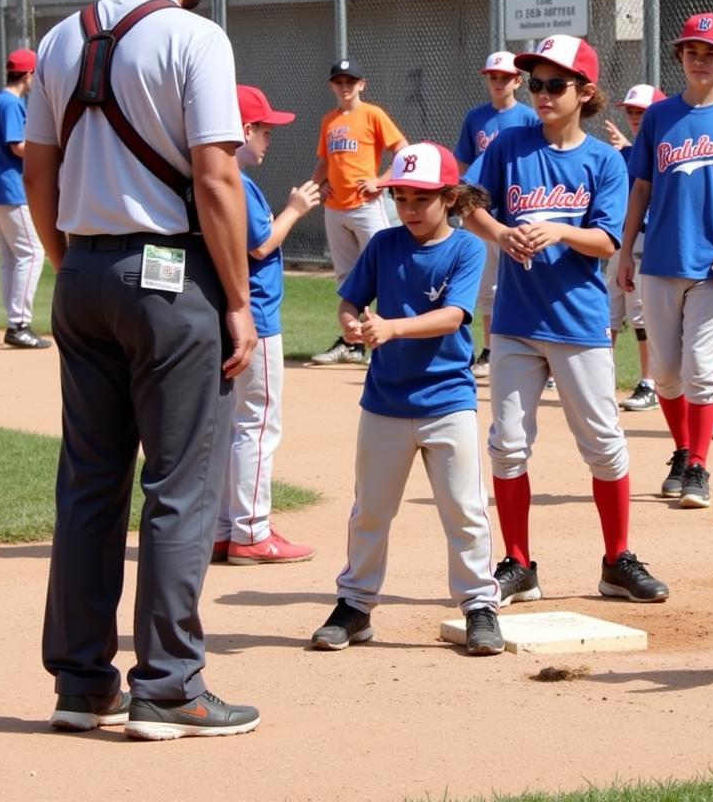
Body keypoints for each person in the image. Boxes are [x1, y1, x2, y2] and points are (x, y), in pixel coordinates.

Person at [24, 0, 260, 740]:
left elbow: (37, 172)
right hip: (171, 280)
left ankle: (82, 684)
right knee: (177, 487)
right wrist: (238, 302)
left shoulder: (60, 35)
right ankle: (169, 686)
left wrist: (70, 263)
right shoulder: (197, 37)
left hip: (81, 269)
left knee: (89, 485)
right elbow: (217, 178)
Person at [463, 35, 669, 607]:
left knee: (603, 445)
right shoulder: (509, 146)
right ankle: (519, 564)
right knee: (507, 445)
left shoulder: (604, 160)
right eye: (537, 84)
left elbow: (607, 240)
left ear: (585, 93)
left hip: (578, 322)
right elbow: (466, 199)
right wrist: (501, 232)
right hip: (515, 322)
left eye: (556, 84)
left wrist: (555, 229)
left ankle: (616, 560)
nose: (543, 94)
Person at [310, 142, 504, 655]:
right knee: (370, 510)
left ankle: (480, 605)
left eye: (422, 197)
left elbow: (454, 317)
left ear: (451, 197)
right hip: (385, 403)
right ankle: (355, 606)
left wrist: (392, 327)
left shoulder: (467, 249)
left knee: (465, 510)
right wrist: (351, 322)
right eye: (401, 196)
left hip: (447, 400)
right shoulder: (383, 244)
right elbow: (352, 299)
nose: (410, 208)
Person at [619, 15, 713, 508]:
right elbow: (641, 185)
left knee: (702, 368)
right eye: (691, 51)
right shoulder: (660, 117)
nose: (700, 60)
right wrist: (625, 250)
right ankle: (683, 451)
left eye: (711, 53)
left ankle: (701, 465)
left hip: (712, 265)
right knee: (665, 371)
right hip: (661, 259)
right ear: (680, 57)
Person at [213, 85, 321, 566]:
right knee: (256, 424)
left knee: (227, 425)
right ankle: (252, 532)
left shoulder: (202, 175)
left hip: (220, 315)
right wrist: (295, 210)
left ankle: (222, 528)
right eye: (263, 129)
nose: (268, 139)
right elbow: (260, 245)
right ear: (241, 129)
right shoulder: (238, 181)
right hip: (253, 317)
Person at [309, 59, 408, 366]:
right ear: (331, 86)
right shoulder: (329, 120)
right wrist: (317, 186)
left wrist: (382, 181)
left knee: (385, 269)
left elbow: (402, 148)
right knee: (349, 278)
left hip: (366, 206)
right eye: (339, 82)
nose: (345, 87)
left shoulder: (372, 114)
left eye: (350, 81)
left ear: (362, 84)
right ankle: (352, 343)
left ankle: (391, 338)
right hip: (335, 209)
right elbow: (326, 161)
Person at [454, 50, 538, 379]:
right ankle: (491, 350)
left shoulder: (530, 117)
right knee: (488, 286)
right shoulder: (476, 118)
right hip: (482, 213)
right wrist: (454, 195)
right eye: (493, 77)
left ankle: (534, 350)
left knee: (523, 283)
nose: (499, 82)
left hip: (516, 212)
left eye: (505, 77)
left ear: (518, 80)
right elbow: (464, 162)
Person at [603, 83, 666, 412]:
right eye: (630, 111)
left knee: (641, 313)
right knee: (609, 312)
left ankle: (649, 383)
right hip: (618, 241)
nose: (635, 117)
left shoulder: (665, 148)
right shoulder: (624, 153)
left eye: (641, 111)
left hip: (646, 240)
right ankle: (601, 381)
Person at [0, 48, 50, 349]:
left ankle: (15, 321)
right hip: (12, 188)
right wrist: (51, 151)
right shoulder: (11, 104)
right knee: (33, 252)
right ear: (27, 75)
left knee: (12, 256)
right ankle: (19, 324)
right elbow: (18, 145)